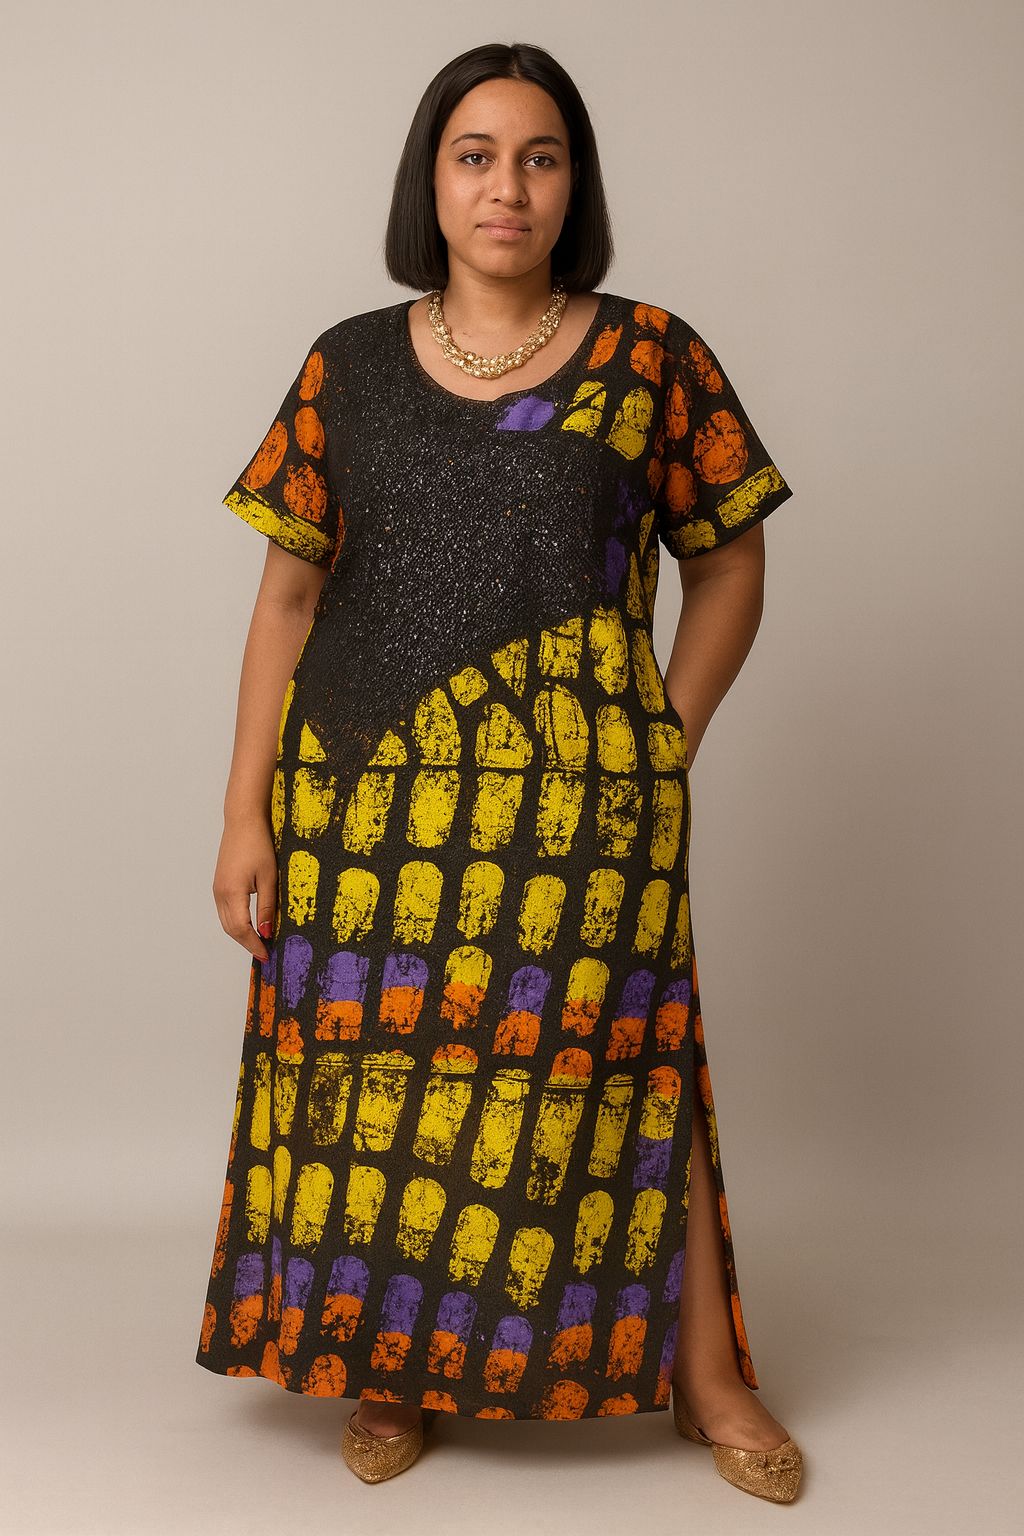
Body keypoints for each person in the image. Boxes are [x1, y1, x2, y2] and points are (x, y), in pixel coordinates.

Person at [196, 40, 804, 1504]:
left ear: (573, 183)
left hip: (579, 802)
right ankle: (394, 1366)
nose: (507, 187)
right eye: (476, 156)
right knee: (385, 1081)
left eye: (540, 157)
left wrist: (661, 739)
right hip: (363, 797)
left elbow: (731, 563)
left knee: (633, 1058)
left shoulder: (653, 355)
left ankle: (709, 1376)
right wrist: (242, 811)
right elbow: (288, 595)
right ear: (432, 179)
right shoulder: (346, 363)